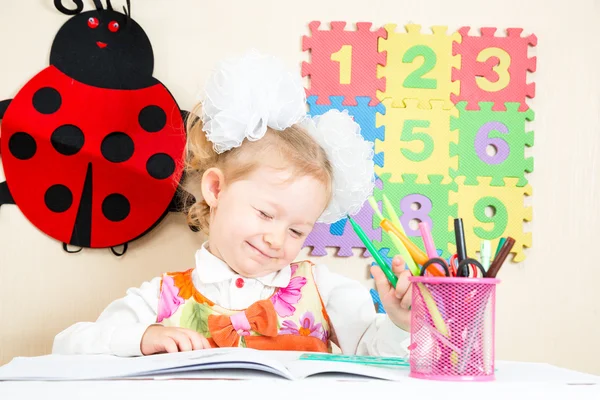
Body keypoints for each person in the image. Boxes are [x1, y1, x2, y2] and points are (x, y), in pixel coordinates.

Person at [52, 50, 413, 357]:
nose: (276, 238)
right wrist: (143, 337)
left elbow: (374, 356)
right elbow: (67, 346)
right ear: (216, 189)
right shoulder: (163, 296)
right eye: (265, 213)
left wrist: (398, 324)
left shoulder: (323, 289)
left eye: (296, 230)